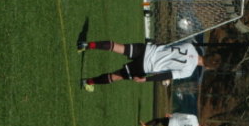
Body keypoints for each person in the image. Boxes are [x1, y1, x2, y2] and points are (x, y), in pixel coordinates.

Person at [77, 40, 220, 92]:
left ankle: (86, 45)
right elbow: (166, 75)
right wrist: (146, 79)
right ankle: (88, 82)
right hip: (146, 66)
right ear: (207, 67)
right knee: (117, 76)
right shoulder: (189, 71)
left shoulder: (190, 46)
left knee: (118, 47)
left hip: (147, 49)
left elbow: (167, 45)